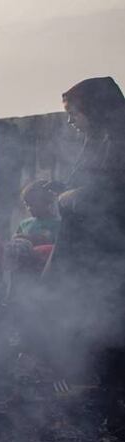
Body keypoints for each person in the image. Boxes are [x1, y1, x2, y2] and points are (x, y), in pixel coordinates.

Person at [40, 77, 125, 389]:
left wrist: (72, 197)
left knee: (108, 318)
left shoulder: (120, 143)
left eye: (74, 113)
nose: (70, 121)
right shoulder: (97, 143)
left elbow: (111, 194)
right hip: (86, 250)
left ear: (95, 109)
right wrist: (65, 190)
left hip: (111, 256)